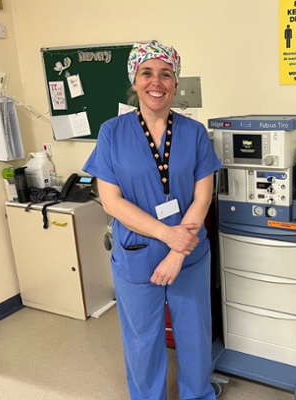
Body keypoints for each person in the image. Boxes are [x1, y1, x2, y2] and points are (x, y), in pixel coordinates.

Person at [83, 40, 222, 400]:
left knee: (193, 334)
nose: (156, 82)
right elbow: (111, 201)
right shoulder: (112, 132)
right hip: (136, 252)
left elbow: (202, 197)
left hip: (188, 254)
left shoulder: (194, 133)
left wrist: (178, 251)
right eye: (147, 73)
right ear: (135, 81)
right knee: (142, 339)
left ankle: (198, 394)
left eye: (165, 74)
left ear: (176, 83)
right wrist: (166, 235)